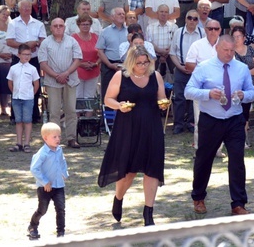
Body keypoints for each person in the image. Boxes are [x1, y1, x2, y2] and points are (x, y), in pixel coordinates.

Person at [186, 35, 254, 216]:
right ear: (217, 48)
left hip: (234, 118)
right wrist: (208, 93)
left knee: (237, 161)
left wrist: (243, 96)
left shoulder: (241, 68)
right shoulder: (204, 67)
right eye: (225, 50)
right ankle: (198, 197)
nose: (229, 54)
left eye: (232, 50)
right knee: (204, 159)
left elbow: (252, 92)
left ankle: (238, 203)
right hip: (211, 119)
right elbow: (188, 91)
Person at [98, 46, 167, 226]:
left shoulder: (156, 76)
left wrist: (163, 105)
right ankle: (118, 197)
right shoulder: (121, 76)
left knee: (152, 169)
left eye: (146, 62)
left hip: (152, 126)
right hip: (128, 127)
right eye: (139, 63)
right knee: (128, 172)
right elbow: (108, 100)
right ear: (131, 62)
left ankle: (148, 212)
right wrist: (119, 105)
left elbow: (161, 98)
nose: (143, 66)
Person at [39, 19, 83, 149]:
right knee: (54, 112)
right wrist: (56, 76)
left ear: (65, 27)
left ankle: (71, 138)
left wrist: (66, 73)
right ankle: (54, 140)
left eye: (61, 26)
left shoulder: (72, 41)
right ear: (51, 28)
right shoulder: (45, 43)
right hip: (53, 82)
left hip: (70, 80)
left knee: (71, 110)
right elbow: (43, 63)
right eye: (55, 26)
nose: (58, 28)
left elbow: (77, 60)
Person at [27, 122, 68, 240]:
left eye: (59, 136)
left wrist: (64, 173)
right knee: (42, 210)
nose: (58, 139)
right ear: (45, 138)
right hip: (45, 187)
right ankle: (33, 226)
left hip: (58, 185)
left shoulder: (59, 150)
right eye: (54, 137)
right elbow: (34, 168)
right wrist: (45, 182)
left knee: (61, 209)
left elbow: (62, 161)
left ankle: (61, 233)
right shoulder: (42, 153)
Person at [8, 44, 41, 152]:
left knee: (27, 120)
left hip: (28, 98)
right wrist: (15, 93)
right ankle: (19, 143)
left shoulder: (32, 69)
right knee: (18, 121)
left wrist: (31, 94)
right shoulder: (13, 68)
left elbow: (36, 84)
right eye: (24, 54)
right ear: (19, 55)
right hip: (16, 98)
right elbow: (10, 82)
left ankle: (27, 143)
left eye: (29, 55)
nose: (27, 57)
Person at [71, 14, 101, 100]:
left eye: (87, 24)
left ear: (90, 25)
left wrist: (95, 64)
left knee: (90, 97)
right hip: (77, 71)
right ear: (78, 25)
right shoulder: (73, 38)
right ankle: (77, 114)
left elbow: (101, 53)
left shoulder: (96, 37)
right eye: (83, 24)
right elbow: (70, 55)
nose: (85, 26)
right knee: (77, 97)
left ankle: (89, 114)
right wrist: (81, 64)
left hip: (93, 70)